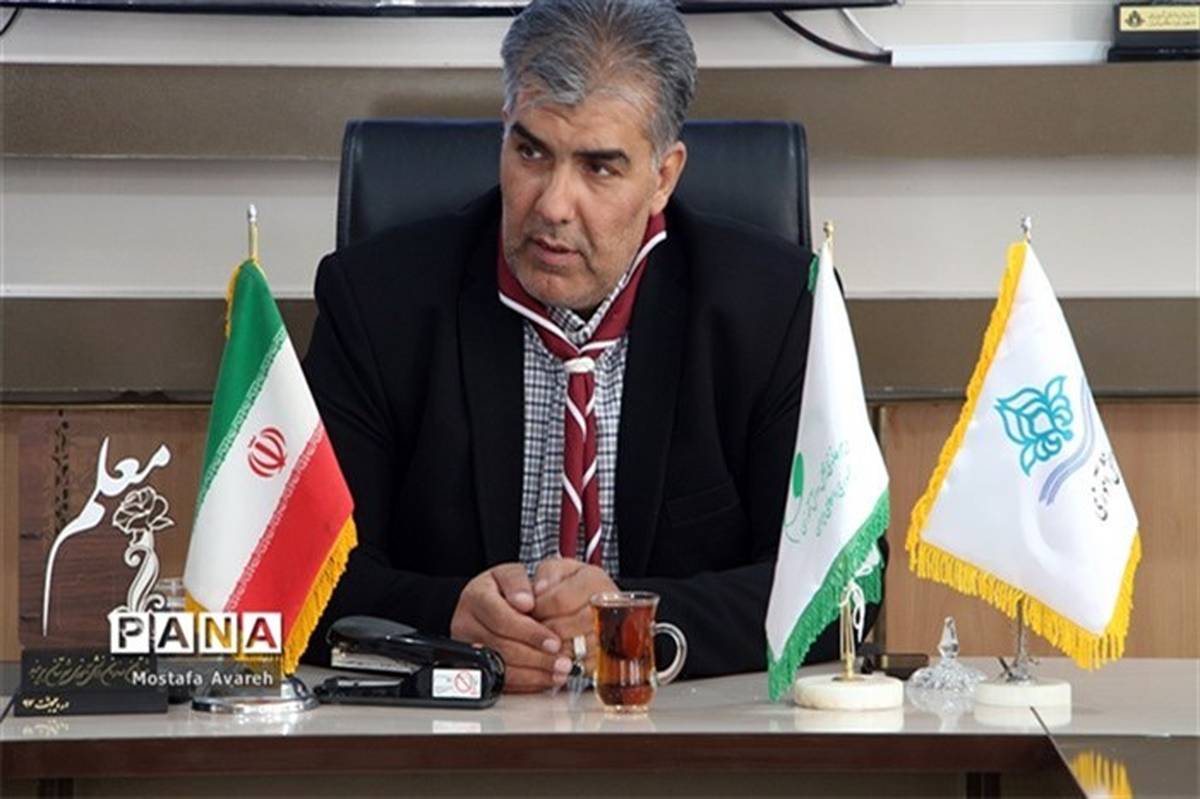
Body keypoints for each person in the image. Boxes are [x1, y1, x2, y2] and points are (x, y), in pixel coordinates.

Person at [302, 0, 877, 692]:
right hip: (453, 725)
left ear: (663, 177)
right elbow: (296, 575)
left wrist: (630, 622)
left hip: (684, 727)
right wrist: (446, 619)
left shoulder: (777, 309)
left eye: (599, 168)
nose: (552, 204)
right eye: (531, 152)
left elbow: (845, 584)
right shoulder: (377, 302)